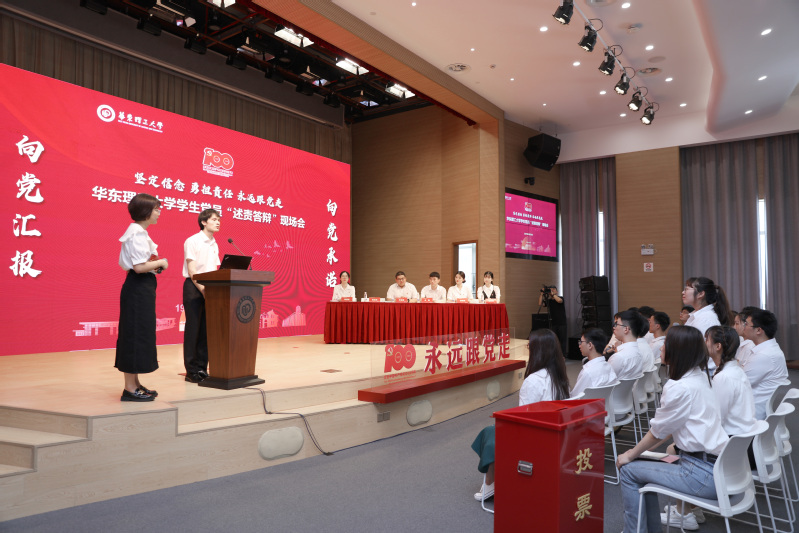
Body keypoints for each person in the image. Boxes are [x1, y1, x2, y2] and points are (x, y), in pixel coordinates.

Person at [617, 326, 728, 533]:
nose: (660, 348)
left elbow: (657, 432)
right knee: (642, 463)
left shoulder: (679, 387)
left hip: (699, 473)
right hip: (719, 468)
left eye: (665, 345)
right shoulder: (702, 378)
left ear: (677, 351)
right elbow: (669, 426)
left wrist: (629, 455)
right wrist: (640, 452)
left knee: (629, 469)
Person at [470, 329, 570, 501]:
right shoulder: (561, 378)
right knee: (493, 430)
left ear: (538, 351)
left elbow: (523, 419)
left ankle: (490, 481)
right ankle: (491, 481)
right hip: (556, 434)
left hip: (536, 437)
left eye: (529, 346)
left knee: (490, 433)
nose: (528, 349)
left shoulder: (533, 380)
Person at [115, 193, 169, 402]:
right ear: (146, 212)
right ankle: (130, 388)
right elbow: (139, 267)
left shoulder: (139, 232)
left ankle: (135, 384)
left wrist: (155, 265)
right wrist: (161, 263)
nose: (159, 212)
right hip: (138, 288)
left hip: (141, 288)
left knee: (138, 334)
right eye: (156, 209)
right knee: (134, 336)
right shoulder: (137, 233)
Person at [182, 209, 221, 384]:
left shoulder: (214, 243)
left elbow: (215, 269)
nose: (218, 222)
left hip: (210, 288)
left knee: (206, 331)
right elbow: (192, 271)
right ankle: (191, 371)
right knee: (193, 330)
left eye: (219, 220)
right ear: (204, 222)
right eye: (214, 219)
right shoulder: (193, 241)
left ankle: (202, 368)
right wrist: (203, 291)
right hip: (194, 287)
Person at [741, 308, 789, 420]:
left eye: (746, 324)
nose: (744, 327)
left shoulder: (764, 355)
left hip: (752, 412)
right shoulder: (767, 349)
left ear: (758, 330)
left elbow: (740, 384)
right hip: (755, 404)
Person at [571, 327, 617, 397]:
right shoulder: (609, 367)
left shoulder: (587, 372)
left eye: (581, 342)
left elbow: (575, 396)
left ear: (590, 345)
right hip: (605, 403)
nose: (579, 346)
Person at [607, 310, 644, 381]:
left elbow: (607, 382)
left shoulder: (618, 357)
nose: (614, 327)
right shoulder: (639, 352)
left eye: (616, 324)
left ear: (626, 329)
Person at [538, 285, 567, 355]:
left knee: (562, 340)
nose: (552, 291)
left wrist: (553, 294)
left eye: (553, 289)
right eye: (551, 290)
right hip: (553, 323)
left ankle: (563, 355)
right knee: (553, 340)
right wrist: (541, 294)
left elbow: (559, 301)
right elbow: (540, 304)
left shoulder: (560, 298)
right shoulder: (549, 301)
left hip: (561, 323)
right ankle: (555, 355)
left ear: (557, 292)